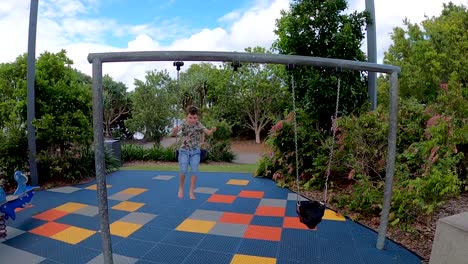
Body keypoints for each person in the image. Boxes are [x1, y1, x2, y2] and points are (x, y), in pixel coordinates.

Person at [171, 106, 216, 199]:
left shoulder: (199, 124)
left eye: (194, 118)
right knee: (183, 169)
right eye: (190, 118)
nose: (192, 120)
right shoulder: (183, 124)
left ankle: (191, 191)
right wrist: (175, 130)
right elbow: (174, 133)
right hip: (184, 151)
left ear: (197, 117)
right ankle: (181, 188)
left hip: (195, 151)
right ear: (186, 117)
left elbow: (207, 133)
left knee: (194, 170)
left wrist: (212, 130)